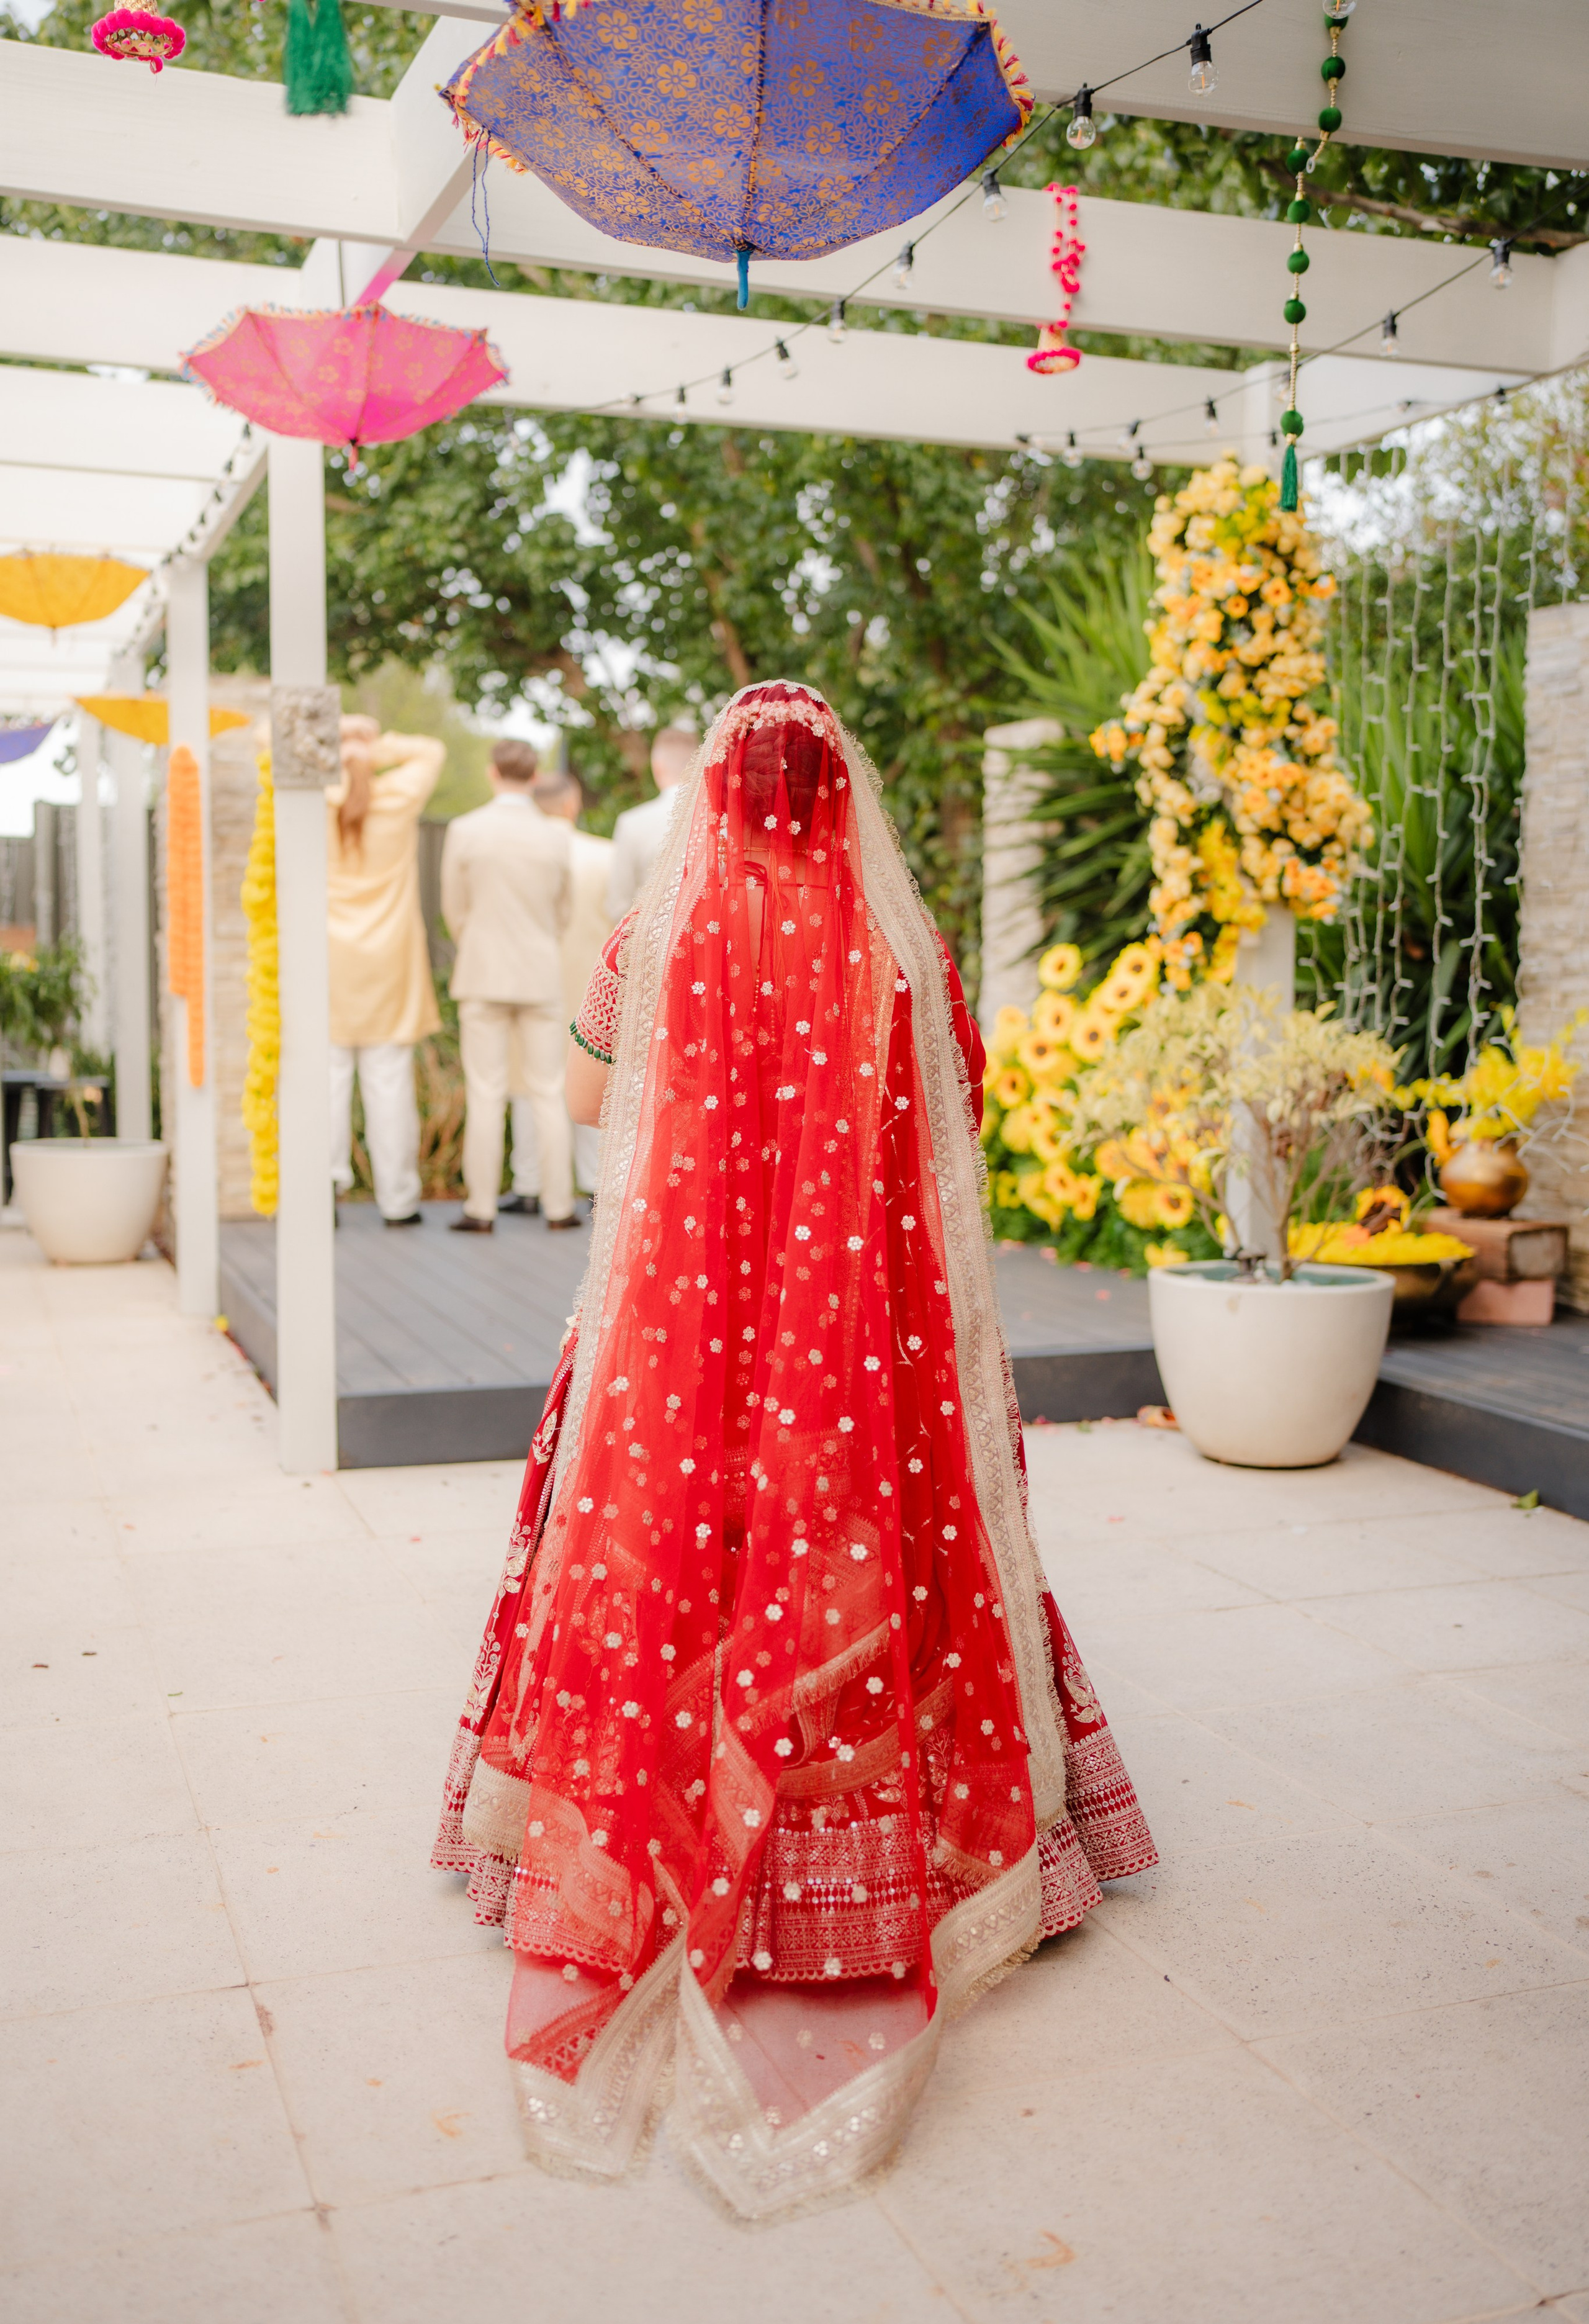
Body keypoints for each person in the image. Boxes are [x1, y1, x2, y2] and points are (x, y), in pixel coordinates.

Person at [431, 682, 1155, 2218]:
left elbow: (578, 1098)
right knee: (856, 1571)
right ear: (843, 798)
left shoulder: (655, 938)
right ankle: (854, 1866)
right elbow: (959, 1120)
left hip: (675, 1353)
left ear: (710, 794)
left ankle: (644, 1840)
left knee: (653, 1568)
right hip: (855, 1361)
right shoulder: (898, 945)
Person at [441, 739, 577, 1235]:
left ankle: (481, 1208)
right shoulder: (555, 837)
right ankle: (560, 1207)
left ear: (491, 773)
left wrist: (475, 943)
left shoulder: (466, 830)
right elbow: (564, 910)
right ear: (536, 776)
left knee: (485, 1092)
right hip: (540, 973)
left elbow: (454, 907)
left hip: (483, 973)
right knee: (548, 1092)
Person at [327, 714, 445, 1227]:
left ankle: (323, 1189)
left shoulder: (315, 798)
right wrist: (373, 744)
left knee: (328, 1081)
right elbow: (431, 750)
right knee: (389, 1084)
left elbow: (266, 738)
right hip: (389, 964)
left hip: (327, 961)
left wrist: (338, 734)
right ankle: (398, 1201)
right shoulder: (396, 796)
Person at [500, 769, 611, 1211]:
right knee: (592, 1078)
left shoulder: (513, 855)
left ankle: (531, 1183)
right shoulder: (607, 855)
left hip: (530, 983)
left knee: (530, 1080)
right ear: (572, 804)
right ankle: (596, 1181)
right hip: (590, 987)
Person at [604, 723, 696, 922]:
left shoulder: (632, 823)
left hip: (649, 947)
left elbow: (618, 906)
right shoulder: (723, 820)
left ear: (658, 766)